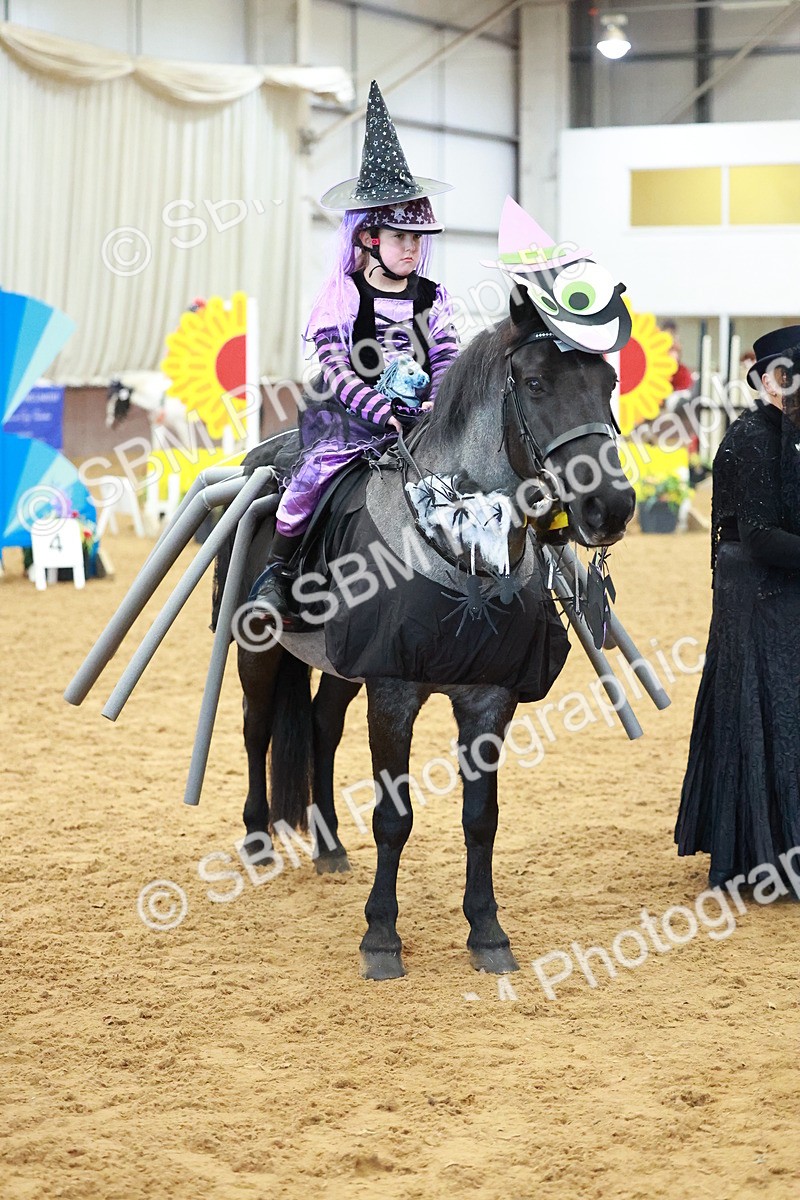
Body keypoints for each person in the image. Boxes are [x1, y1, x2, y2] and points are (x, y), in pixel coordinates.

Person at [250, 81, 459, 627]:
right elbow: (336, 370)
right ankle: (280, 570)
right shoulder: (340, 296)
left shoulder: (433, 297)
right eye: (401, 238)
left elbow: (447, 360)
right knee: (312, 478)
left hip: (419, 424)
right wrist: (377, 409)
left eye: (419, 239)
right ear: (369, 237)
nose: (413, 248)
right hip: (348, 421)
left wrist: (436, 407)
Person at [675, 324, 800, 894]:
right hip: (756, 598)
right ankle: (760, 853)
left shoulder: (789, 433)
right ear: (772, 382)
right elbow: (759, 538)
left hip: (780, 594)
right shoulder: (751, 437)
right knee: (763, 717)